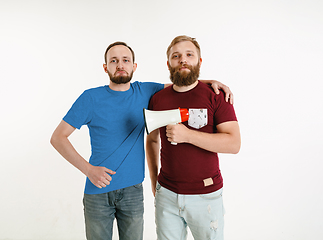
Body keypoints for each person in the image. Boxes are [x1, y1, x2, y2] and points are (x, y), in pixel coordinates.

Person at [50, 41, 233, 240]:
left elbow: (183, 83)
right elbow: (58, 137)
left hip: (133, 192)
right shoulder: (90, 98)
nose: (120, 65)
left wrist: (212, 81)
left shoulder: (146, 91)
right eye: (114, 61)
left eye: (125, 60)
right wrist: (88, 170)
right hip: (98, 191)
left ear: (134, 66)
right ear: (105, 67)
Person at [146, 35, 241, 240]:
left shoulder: (216, 95)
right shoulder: (157, 98)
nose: (183, 60)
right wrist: (155, 181)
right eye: (176, 56)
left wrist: (188, 135)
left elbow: (234, 143)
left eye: (189, 55)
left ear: (199, 61)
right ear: (169, 63)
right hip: (167, 196)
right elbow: (152, 140)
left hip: (206, 196)